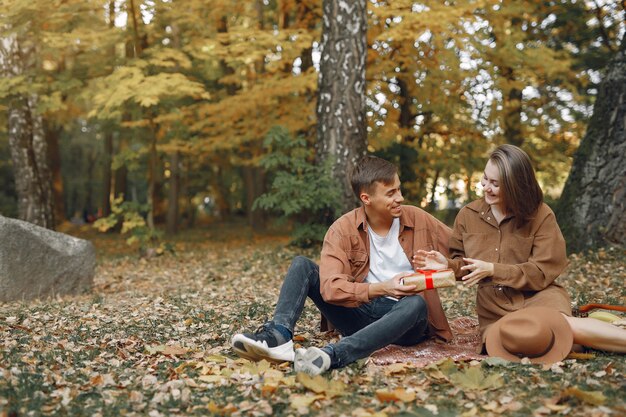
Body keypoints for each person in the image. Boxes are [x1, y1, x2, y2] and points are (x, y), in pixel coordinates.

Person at [231, 155, 453, 375]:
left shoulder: (419, 219)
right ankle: (279, 336)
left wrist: (447, 263)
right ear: (366, 198)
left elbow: (463, 251)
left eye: (399, 189)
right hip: (359, 311)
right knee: (302, 265)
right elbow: (330, 288)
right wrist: (384, 287)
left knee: (416, 303)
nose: (401, 197)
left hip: (404, 319)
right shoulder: (342, 229)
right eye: (391, 193)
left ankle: (332, 355)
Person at [413, 144, 626, 361]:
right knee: (525, 339)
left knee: (558, 327)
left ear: (516, 186)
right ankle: (586, 335)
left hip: (539, 295)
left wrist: (493, 270)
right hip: (494, 307)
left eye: (495, 184)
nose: (486, 187)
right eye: (485, 179)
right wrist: (447, 265)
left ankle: (589, 334)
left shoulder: (541, 215)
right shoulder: (468, 215)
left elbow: (542, 271)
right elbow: (464, 266)